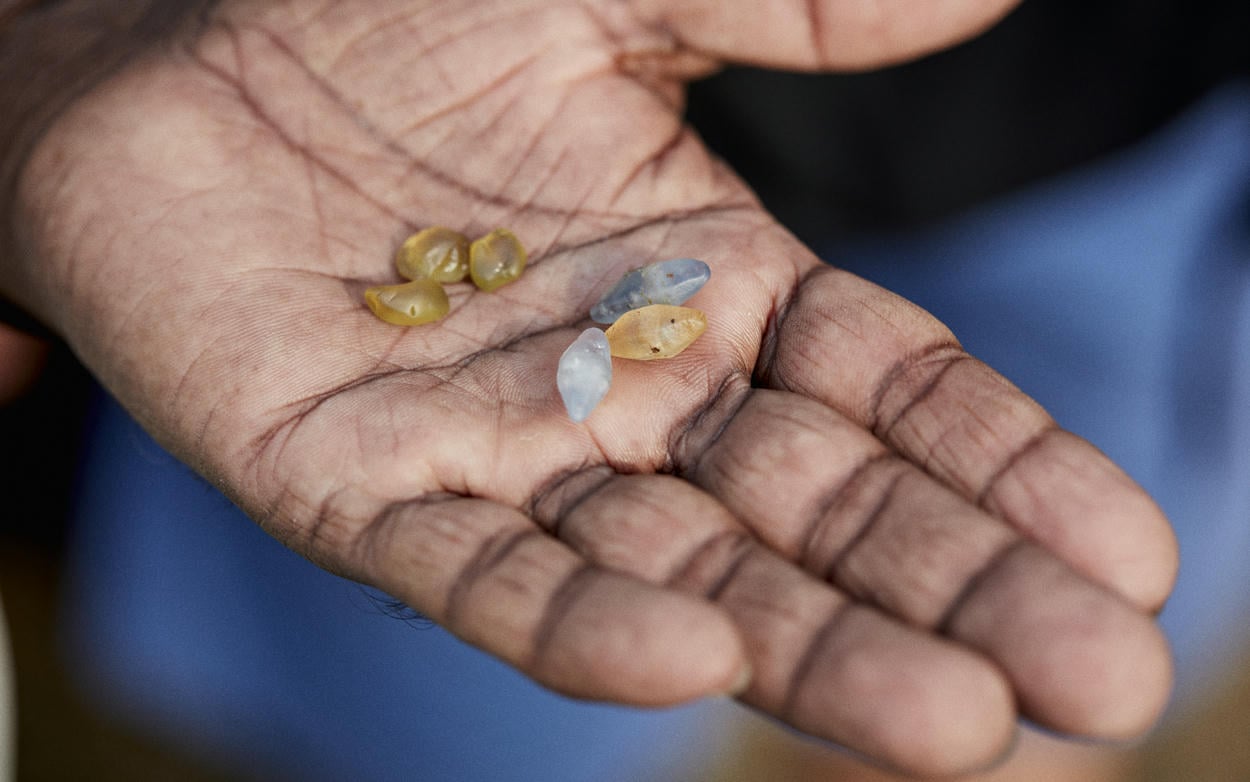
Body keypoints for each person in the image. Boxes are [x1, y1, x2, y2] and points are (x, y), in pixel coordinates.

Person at [0, 1, 1181, 778]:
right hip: (314, 127)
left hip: (1120, 121)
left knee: (1040, 554)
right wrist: (44, 43)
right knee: (516, 707)